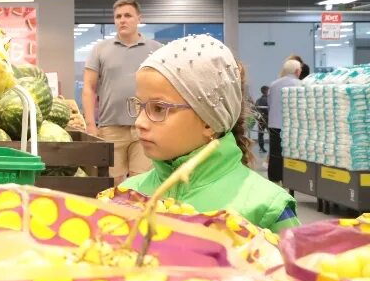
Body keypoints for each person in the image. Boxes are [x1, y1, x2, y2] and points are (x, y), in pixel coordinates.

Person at [124, 35, 299, 233]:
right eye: (139, 106)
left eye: (158, 109)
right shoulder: (128, 197)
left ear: (209, 121)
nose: (139, 122)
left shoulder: (266, 209)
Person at [82, 0, 163, 183]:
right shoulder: (100, 49)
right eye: (118, 16)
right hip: (110, 128)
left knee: (141, 183)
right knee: (114, 183)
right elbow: (89, 88)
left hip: (145, 126)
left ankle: (137, 213)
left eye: (128, 15)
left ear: (138, 19)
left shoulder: (156, 50)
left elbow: (165, 88)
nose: (122, 20)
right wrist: (90, 125)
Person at [267, 58, 303, 183]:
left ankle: (274, 178)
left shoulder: (273, 84)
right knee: (292, 154)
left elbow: (269, 104)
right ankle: (292, 179)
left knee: (275, 154)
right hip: (292, 127)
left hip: (274, 124)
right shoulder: (300, 85)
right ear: (297, 71)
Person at [254, 85, 269, 153]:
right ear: (266, 91)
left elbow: (255, 109)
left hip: (260, 119)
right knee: (272, 134)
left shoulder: (258, 100)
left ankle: (261, 147)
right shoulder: (269, 100)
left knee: (260, 134)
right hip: (268, 119)